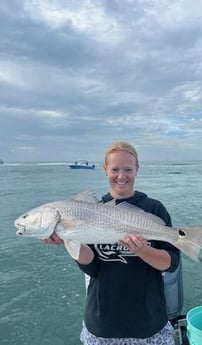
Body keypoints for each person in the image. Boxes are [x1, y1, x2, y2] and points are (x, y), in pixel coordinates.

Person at [44, 141, 180, 345]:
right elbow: (93, 268)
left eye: (128, 169)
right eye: (115, 169)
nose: (121, 175)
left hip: (149, 322)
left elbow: (170, 264)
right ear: (105, 169)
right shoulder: (90, 210)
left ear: (137, 170)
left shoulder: (154, 208)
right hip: (102, 323)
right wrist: (69, 240)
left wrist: (142, 250)